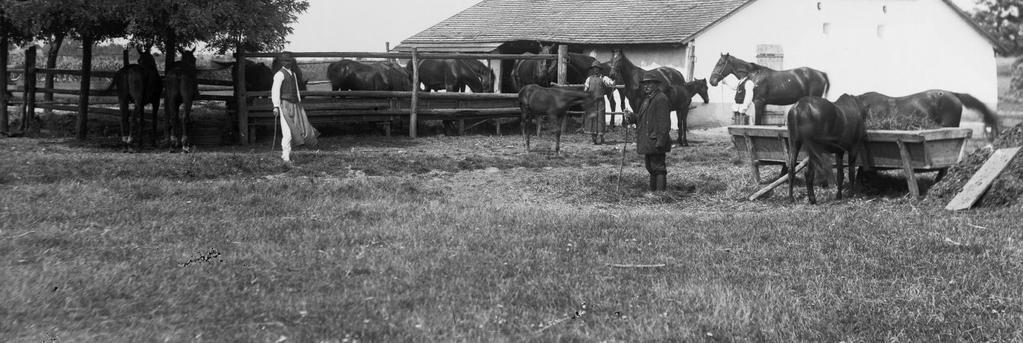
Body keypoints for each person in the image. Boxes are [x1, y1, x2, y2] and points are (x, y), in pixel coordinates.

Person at [624, 71, 672, 193]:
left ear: (656, 85)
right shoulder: (647, 99)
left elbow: (664, 123)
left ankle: (660, 194)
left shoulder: (661, 99)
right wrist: (631, 117)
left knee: (659, 167)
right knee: (650, 167)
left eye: (649, 84)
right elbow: (641, 118)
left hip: (656, 140)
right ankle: (653, 191)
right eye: (644, 84)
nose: (646, 86)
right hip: (648, 140)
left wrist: (661, 140)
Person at [271, 52, 319, 162]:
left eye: (289, 60)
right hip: (285, 105)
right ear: (281, 62)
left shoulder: (293, 74)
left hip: (295, 104)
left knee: (301, 127)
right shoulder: (279, 75)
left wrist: (299, 102)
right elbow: (275, 91)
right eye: (285, 61)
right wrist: (276, 106)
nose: (287, 63)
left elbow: (296, 90)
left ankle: (292, 151)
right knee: (287, 131)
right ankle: (285, 155)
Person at [583, 60, 615, 144]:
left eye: (597, 68)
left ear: (600, 69)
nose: (595, 70)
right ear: (592, 69)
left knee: (600, 119)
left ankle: (601, 137)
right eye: (594, 68)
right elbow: (585, 89)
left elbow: (611, 83)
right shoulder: (589, 79)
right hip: (592, 102)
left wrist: (613, 82)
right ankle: (593, 137)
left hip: (600, 102)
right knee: (592, 119)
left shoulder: (603, 78)